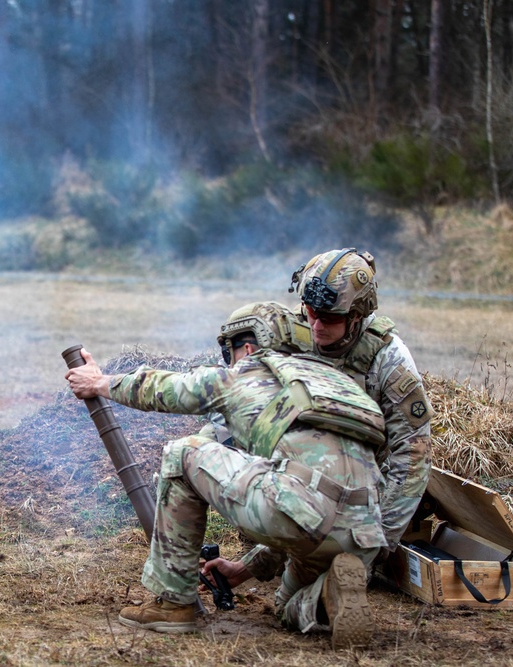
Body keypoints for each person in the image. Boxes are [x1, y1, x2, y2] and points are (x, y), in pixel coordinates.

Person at [65, 302, 387, 649]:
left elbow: (169, 388)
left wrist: (100, 382)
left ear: (246, 347)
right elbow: (309, 498)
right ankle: (325, 595)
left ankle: (173, 603)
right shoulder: (339, 385)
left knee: (183, 452)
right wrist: (244, 568)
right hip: (363, 535)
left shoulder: (248, 372)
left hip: (303, 512)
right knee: (285, 606)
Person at [288, 248, 433, 555]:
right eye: (311, 312)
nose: (316, 326)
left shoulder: (389, 361)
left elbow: (412, 454)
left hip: (361, 490)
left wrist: (377, 542)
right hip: (301, 476)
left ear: (356, 315)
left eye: (329, 318)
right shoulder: (294, 334)